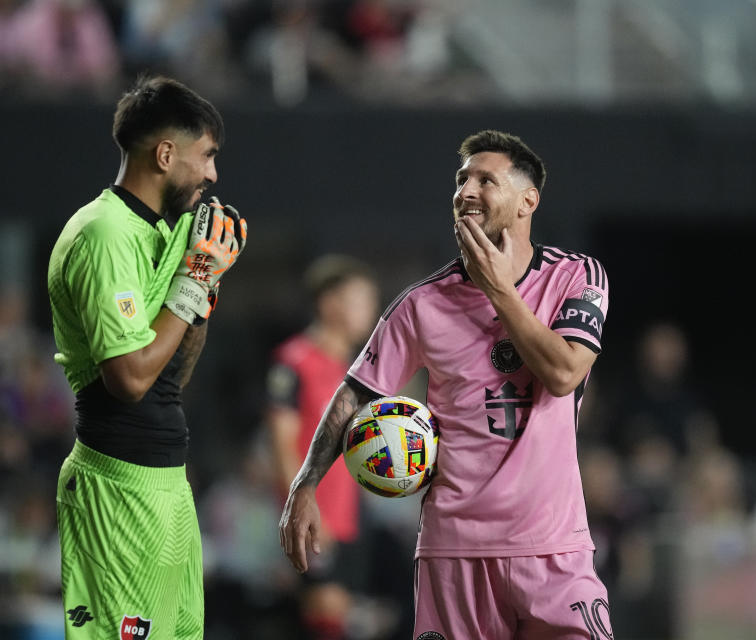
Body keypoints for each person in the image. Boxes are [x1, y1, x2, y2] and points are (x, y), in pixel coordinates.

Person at [280, 130, 613, 639]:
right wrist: (305, 484)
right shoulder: (421, 304)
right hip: (454, 552)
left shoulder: (576, 276)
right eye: (461, 180)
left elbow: (564, 373)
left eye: (486, 179)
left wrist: (498, 290)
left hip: (553, 547)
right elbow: (357, 393)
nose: (466, 191)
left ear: (529, 201)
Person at [47, 75, 247, 639]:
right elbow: (130, 380)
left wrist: (204, 290)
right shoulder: (104, 235)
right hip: (116, 491)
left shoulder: (171, 230)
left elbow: (171, 374)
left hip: (167, 486)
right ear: (165, 154)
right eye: (206, 156)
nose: (213, 174)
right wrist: (194, 280)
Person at [266, 255, 379, 639]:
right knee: (325, 617)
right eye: (360, 300)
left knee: (343, 616)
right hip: (318, 517)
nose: (370, 311)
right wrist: (303, 504)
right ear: (330, 304)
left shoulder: (355, 370)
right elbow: (282, 443)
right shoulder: (294, 362)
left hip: (350, 516)